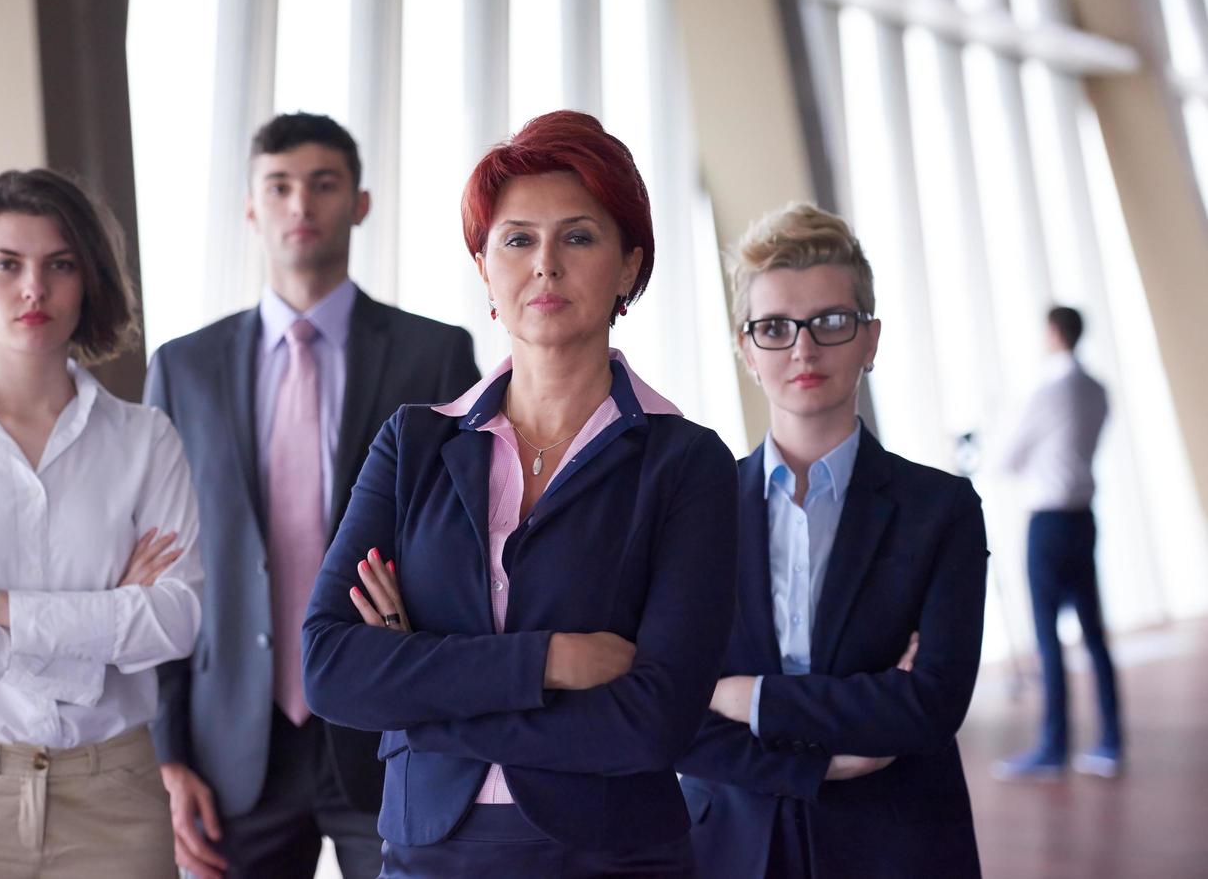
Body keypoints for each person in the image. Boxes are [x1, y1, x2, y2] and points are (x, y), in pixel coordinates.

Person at [302, 110, 737, 878]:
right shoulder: (414, 444)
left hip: (615, 858)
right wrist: (548, 661)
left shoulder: (685, 462)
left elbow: (654, 724)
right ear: (484, 269)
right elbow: (332, 667)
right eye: (517, 239)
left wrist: (419, 700)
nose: (545, 264)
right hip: (426, 854)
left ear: (629, 268)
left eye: (578, 236)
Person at [146, 112, 480, 879]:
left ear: (359, 202)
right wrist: (165, 755)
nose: (301, 205)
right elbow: (159, 567)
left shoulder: (436, 355)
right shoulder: (183, 368)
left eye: (323, 185)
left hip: (387, 725)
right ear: (251, 207)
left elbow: (469, 546)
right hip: (231, 745)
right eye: (280, 186)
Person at [0, 169, 203, 878]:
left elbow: (174, 622)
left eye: (60, 265)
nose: (33, 290)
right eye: (6, 265)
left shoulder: (146, 440)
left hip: (114, 798)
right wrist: (99, 635)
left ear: (88, 280)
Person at [676, 202, 988, 879]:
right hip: (725, 845)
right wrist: (824, 758)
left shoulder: (940, 510)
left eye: (830, 322)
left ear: (869, 340)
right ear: (745, 349)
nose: (803, 348)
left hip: (895, 845)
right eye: (774, 328)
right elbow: (665, 711)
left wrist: (744, 697)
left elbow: (930, 705)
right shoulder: (689, 512)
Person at [993, 306, 1121, 780]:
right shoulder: (1097, 390)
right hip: (1083, 516)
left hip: (1047, 521)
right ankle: (1111, 741)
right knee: (1094, 633)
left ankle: (1054, 747)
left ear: (1053, 333)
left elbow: (1007, 458)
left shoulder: (1048, 392)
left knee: (1049, 638)